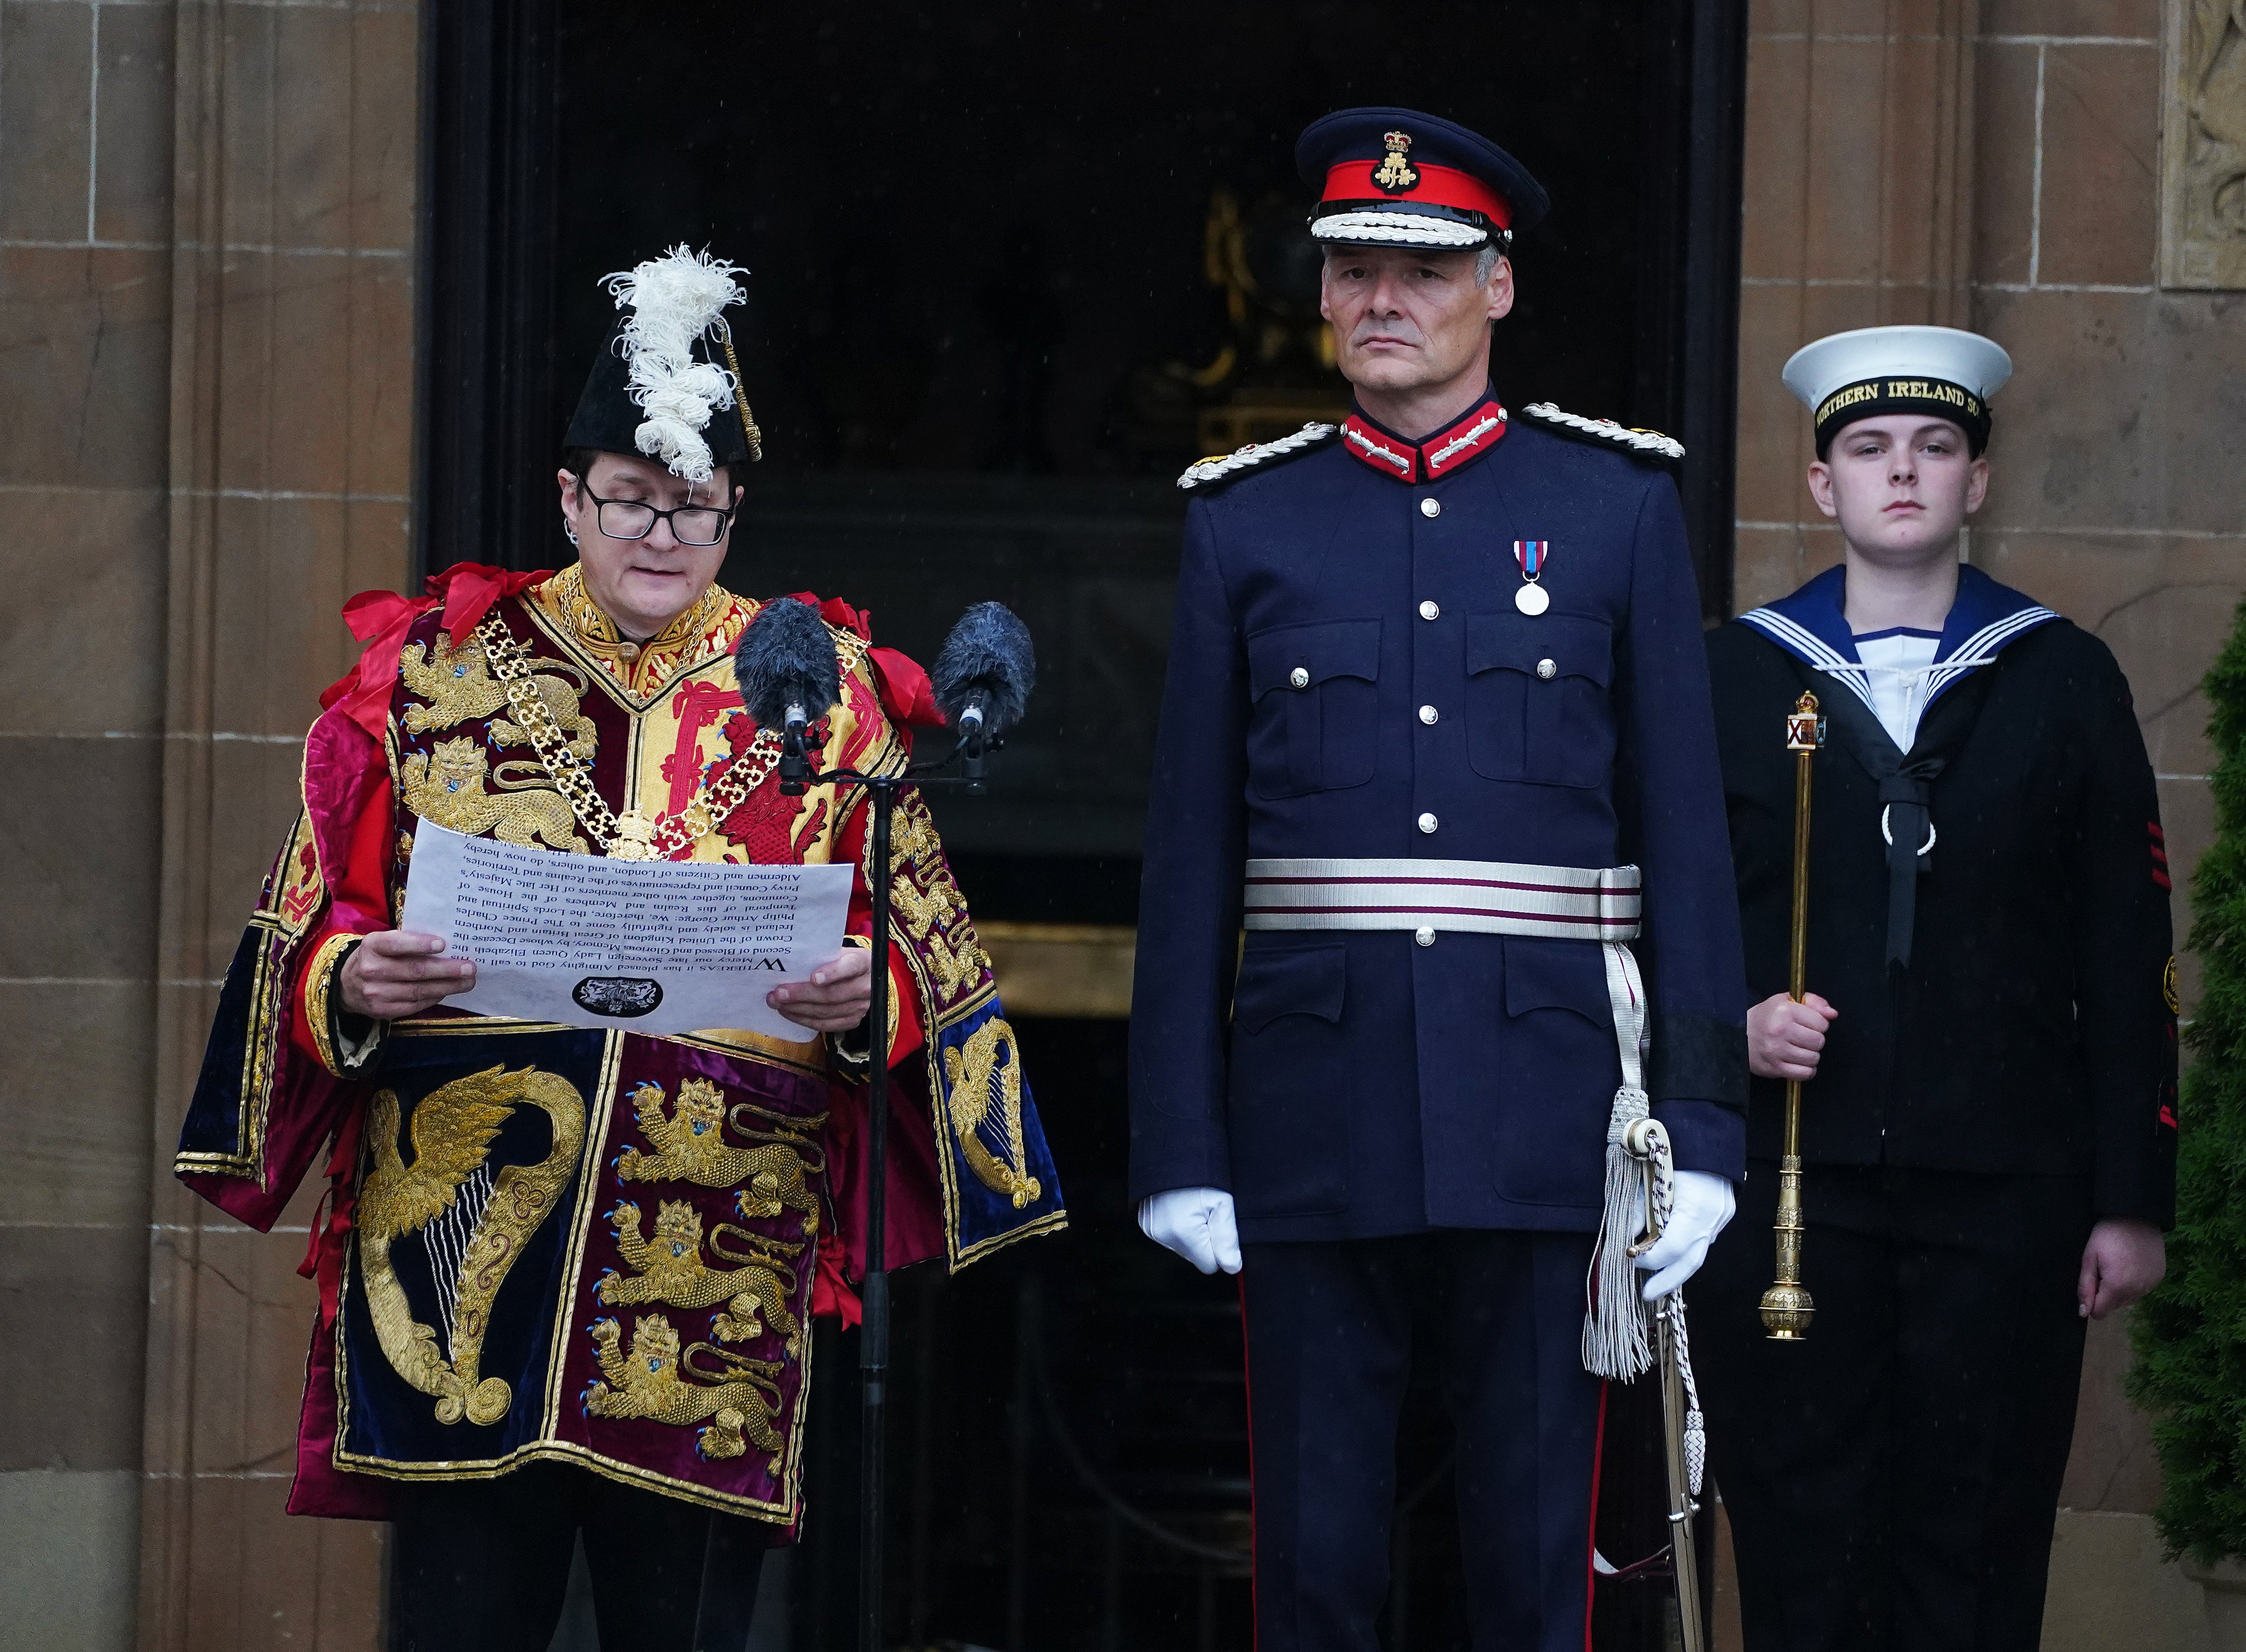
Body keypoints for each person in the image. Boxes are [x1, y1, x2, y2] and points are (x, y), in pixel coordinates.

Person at [172, 246, 1064, 1652]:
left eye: (694, 510)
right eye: (630, 499)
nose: (659, 534)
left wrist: (863, 999)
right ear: (568, 497)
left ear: (736, 510)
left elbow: (927, 953)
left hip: (717, 1240)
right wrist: (352, 980)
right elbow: (310, 919)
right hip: (466, 1240)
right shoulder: (435, 675)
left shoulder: (825, 695)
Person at [1127, 108, 1749, 1652]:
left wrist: (1713, 1126)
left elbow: (1686, 839)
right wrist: (1175, 1145)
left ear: (1499, 290)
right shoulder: (1245, 521)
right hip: (1309, 1106)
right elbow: (1190, 865)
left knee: (1537, 1574)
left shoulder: (1615, 511)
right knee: (1316, 1570)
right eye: (1351, 265)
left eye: (1423, 265)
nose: (1380, 295)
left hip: (1547, 1113)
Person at [1691, 324, 2177, 1651]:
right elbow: (1663, 912)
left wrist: (2129, 1199)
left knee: (1972, 1552)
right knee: (1801, 1550)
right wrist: (1726, 1025)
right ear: (1819, 489)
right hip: (1790, 1194)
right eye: (1866, 450)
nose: (1899, 472)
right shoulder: (1731, 677)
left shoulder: (2062, 678)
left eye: (1932, 447)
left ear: (1974, 482)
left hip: (2005, 1196)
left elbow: (2124, 947)